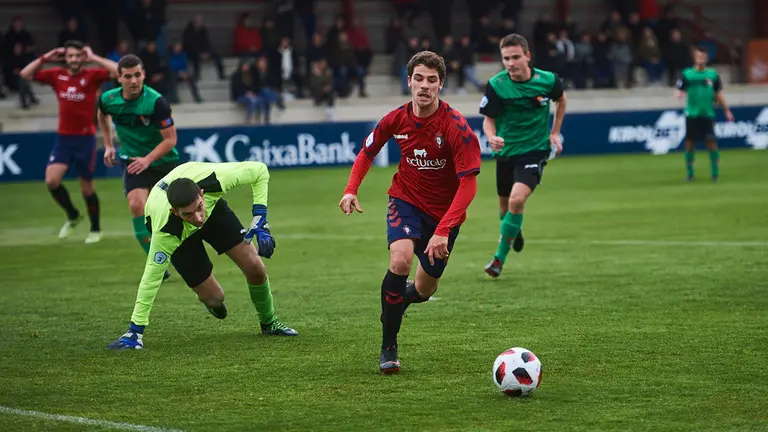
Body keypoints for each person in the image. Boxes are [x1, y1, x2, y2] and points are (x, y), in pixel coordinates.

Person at [338, 51, 482, 373]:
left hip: (443, 218)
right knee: (399, 259)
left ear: (441, 84)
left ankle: (397, 301)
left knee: (424, 289)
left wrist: (444, 229)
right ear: (409, 81)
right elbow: (367, 152)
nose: (424, 86)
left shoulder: (456, 126)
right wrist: (351, 189)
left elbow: (468, 185)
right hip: (405, 200)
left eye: (432, 80)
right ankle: (389, 346)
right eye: (419, 78)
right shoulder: (396, 119)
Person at [107, 161, 298, 349]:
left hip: (214, 212)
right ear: (175, 212)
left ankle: (269, 323)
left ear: (202, 194)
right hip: (179, 232)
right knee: (215, 298)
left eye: (198, 208)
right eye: (188, 214)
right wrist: (135, 331)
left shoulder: (215, 179)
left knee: (255, 267)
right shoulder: (166, 231)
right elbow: (151, 278)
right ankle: (210, 301)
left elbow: (259, 170)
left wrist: (260, 216)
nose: (198, 218)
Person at [480, 34, 567, 278]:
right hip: (506, 152)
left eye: (516, 57)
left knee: (516, 201)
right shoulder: (497, 84)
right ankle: (513, 230)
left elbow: (562, 100)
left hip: (535, 149)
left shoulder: (548, 80)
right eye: (506, 58)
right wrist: (490, 137)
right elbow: (488, 120)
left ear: (527, 56)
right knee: (504, 207)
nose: (511, 63)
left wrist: (555, 132)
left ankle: (498, 259)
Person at [20, 40, 117, 243]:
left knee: (87, 189)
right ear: (65, 57)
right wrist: (45, 57)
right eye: (70, 56)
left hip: (85, 139)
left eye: (77, 56)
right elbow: (25, 74)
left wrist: (94, 57)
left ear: (82, 57)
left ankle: (95, 229)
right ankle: (73, 215)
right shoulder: (56, 74)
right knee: (51, 181)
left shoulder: (91, 75)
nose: (74, 59)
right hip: (63, 138)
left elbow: (118, 71)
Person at [97, 54, 180, 281]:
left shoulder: (156, 102)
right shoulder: (107, 99)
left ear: (143, 74)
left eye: (137, 75)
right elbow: (102, 115)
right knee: (136, 206)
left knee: (182, 212)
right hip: (134, 162)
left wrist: (148, 159)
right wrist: (108, 145)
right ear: (119, 78)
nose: (133, 81)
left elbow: (170, 140)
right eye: (128, 76)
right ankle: (158, 266)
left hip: (164, 163)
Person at [675, 45, 734, 182]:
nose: (700, 59)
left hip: (707, 114)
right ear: (694, 58)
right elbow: (679, 88)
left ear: (706, 59)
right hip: (692, 114)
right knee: (690, 143)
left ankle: (715, 174)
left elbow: (718, 94)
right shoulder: (687, 74)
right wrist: (679, 93)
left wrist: (726, 110)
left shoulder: (712, 75)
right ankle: (690, 174)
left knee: (711, 143)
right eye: (698, 57)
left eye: (703, 57)